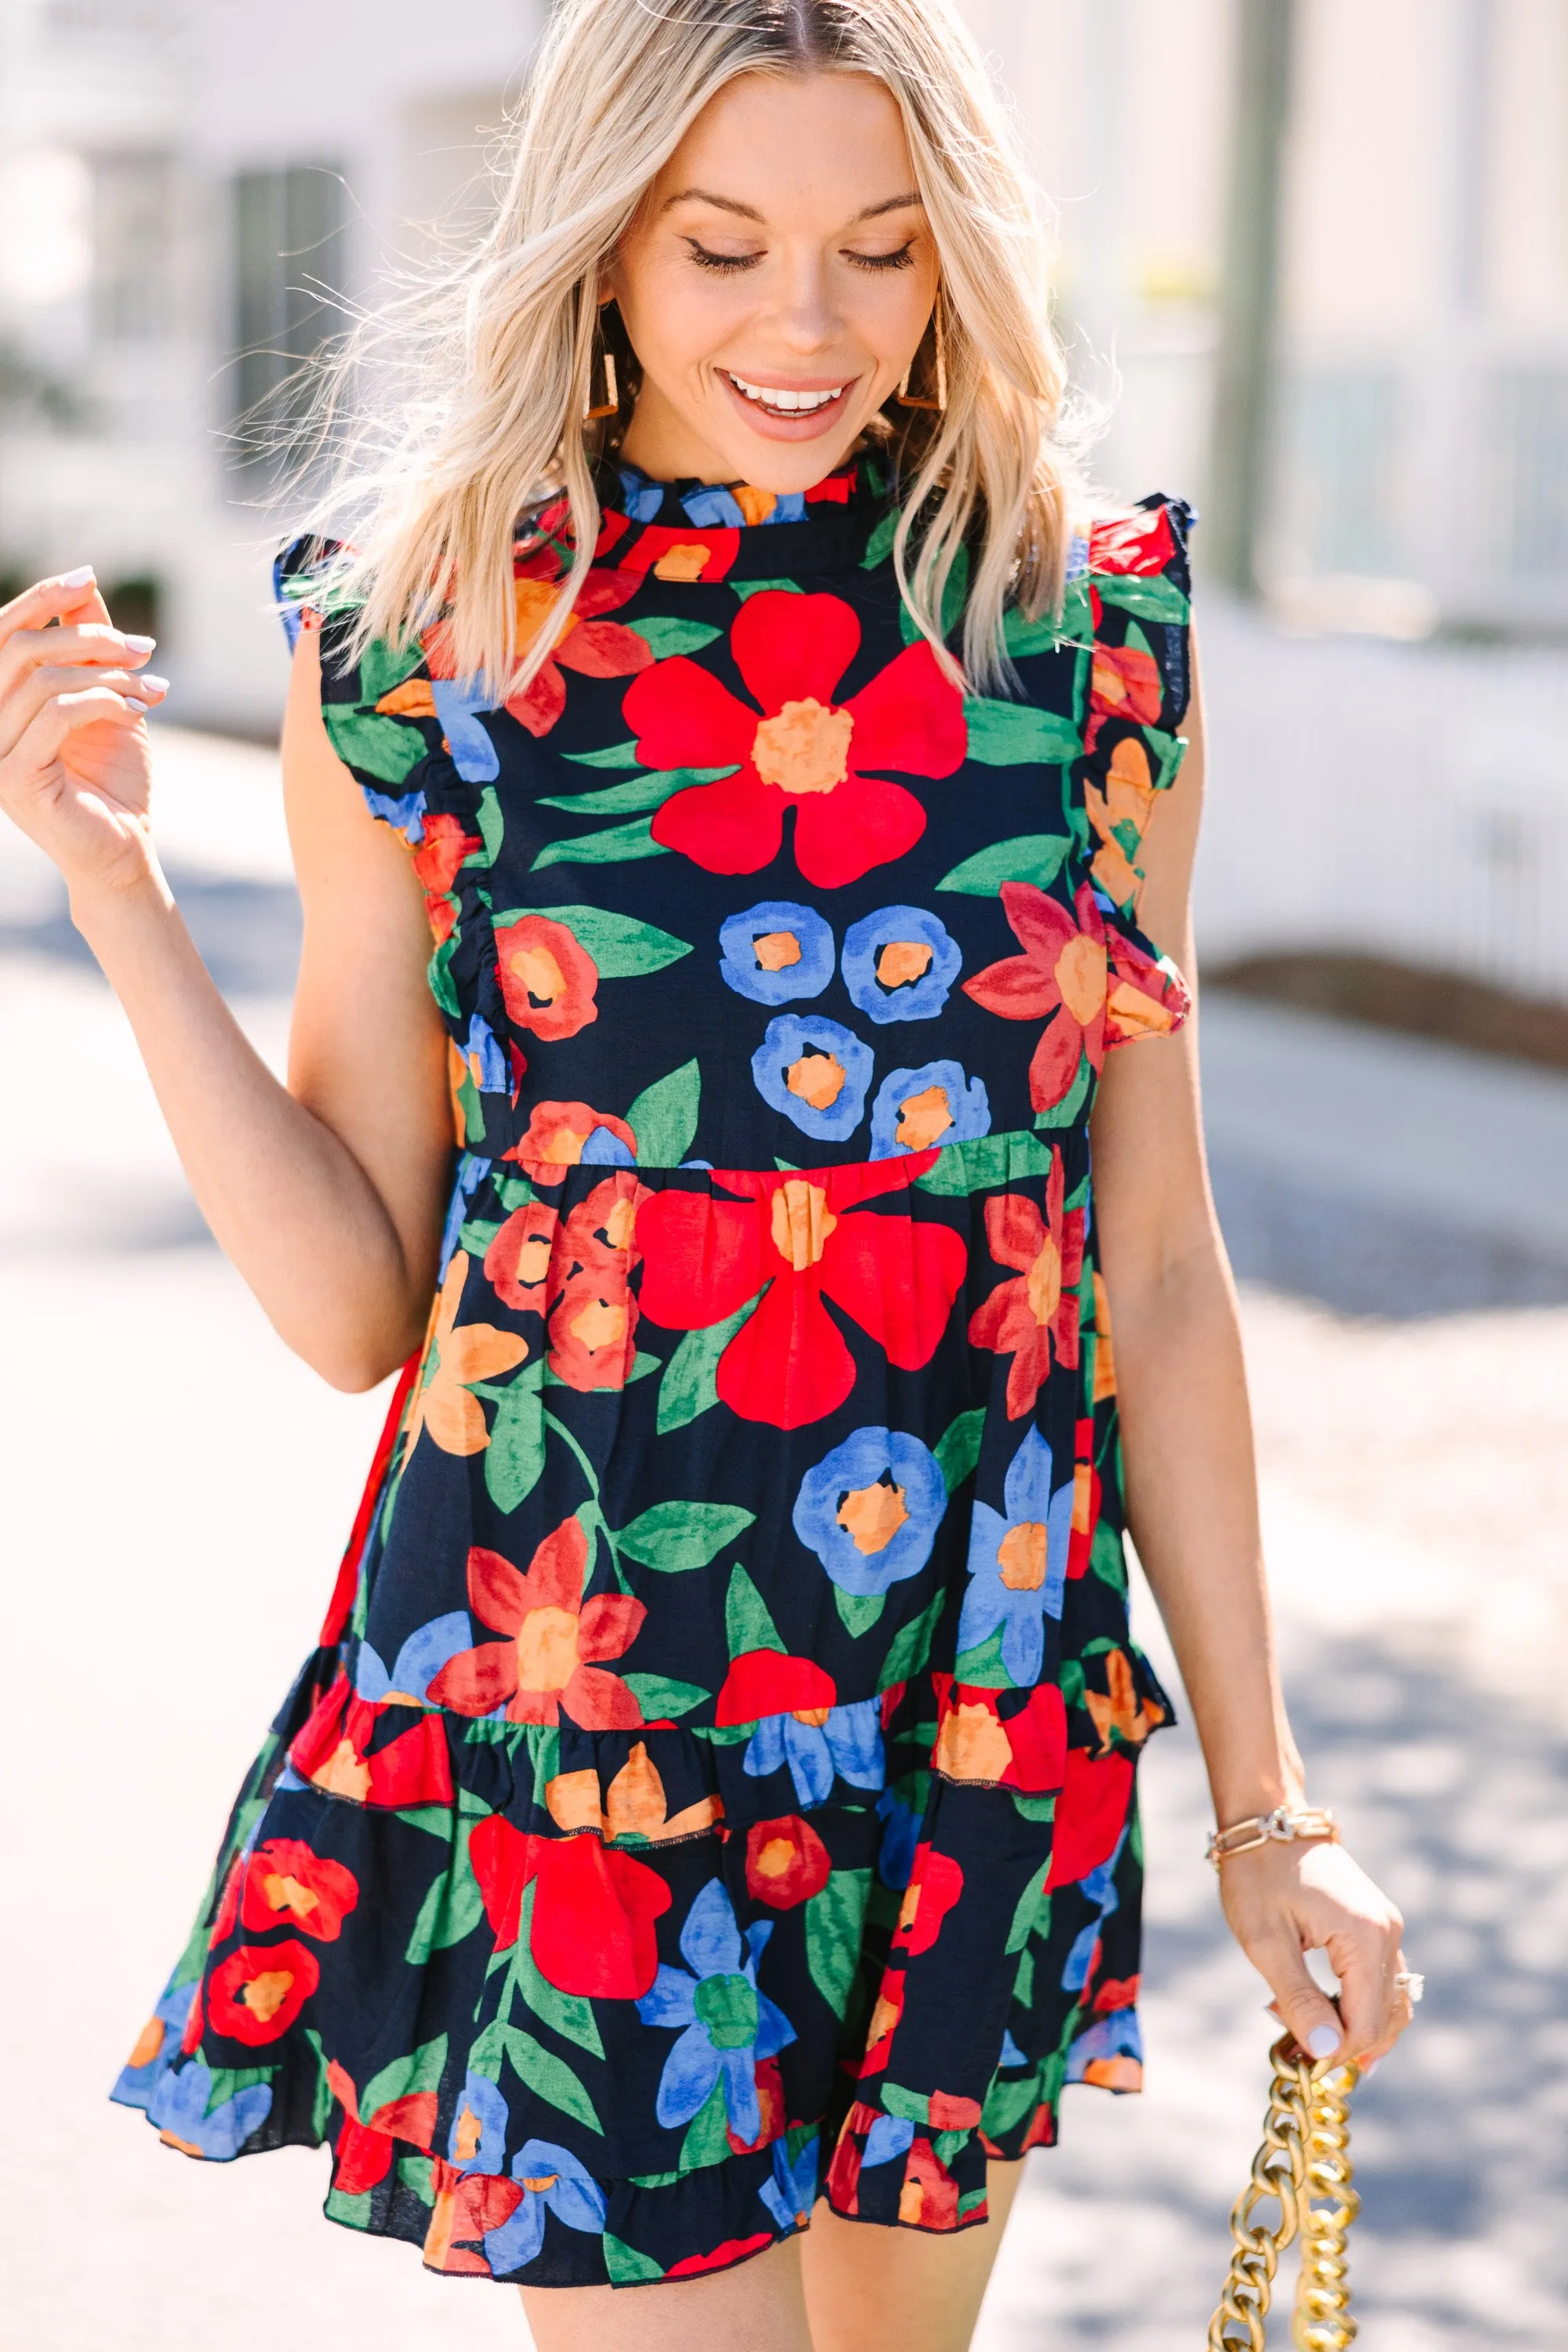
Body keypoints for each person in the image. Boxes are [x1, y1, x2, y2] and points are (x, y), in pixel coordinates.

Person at [0, 2, 1414, 2346]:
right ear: (604, 247)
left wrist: (1276, 1811)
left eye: (882, 249)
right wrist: (126, 907)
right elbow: (361, 1302)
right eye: (725, 244)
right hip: (587, 1696)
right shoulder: (431, 640)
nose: (807, 324)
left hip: (962, 1694)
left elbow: (1147, 1265)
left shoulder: (1082, 635)